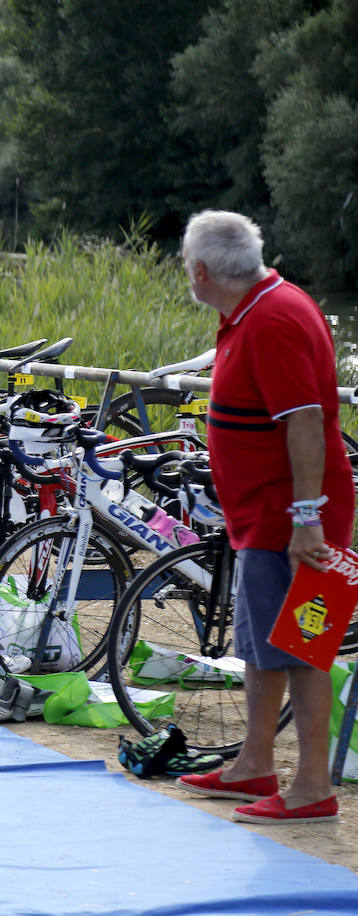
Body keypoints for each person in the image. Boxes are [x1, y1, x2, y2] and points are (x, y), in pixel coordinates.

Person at [175, 210, 355, 825]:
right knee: (260, 642)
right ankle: (255, 761)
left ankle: (311, 787)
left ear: (201, 272)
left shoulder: (274, 318)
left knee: (304, 646)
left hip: (294, 520)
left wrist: (309, 518)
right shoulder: (251, 309)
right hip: (263, 517)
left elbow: (305, 420)